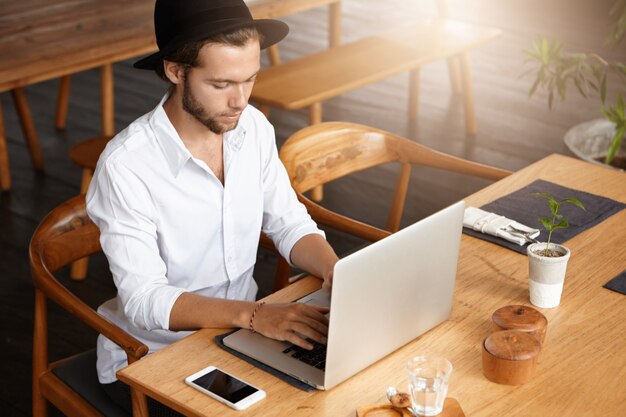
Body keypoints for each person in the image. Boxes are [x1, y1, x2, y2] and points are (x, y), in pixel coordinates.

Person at [86, 0, 339, 414]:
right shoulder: (127, 165)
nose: (240, 101)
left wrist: (335, 272)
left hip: (242, 334)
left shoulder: (252, 127)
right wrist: (257, 316)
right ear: (175, 71)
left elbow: (289, 222)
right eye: (221, 84)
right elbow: (144, 299)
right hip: (154, 357)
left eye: (250, 79)